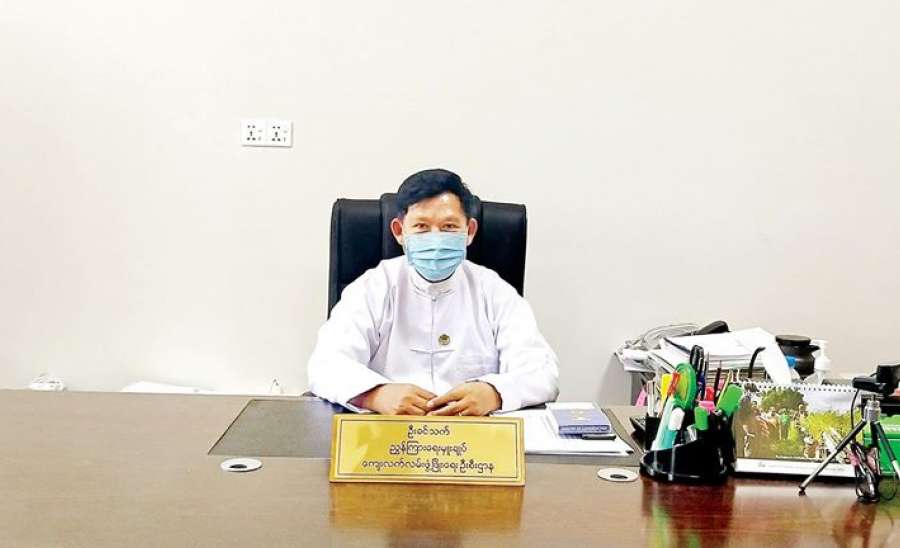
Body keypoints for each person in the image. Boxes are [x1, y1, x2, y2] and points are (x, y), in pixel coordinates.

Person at [307, 168, 559, 416]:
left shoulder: (493, 291)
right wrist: (376, 395)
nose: (436, 239)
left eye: (449, 226)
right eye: (421, 226)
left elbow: (542, 372)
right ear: (399, 232)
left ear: (470, 231)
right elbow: (325, 365)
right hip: (388, 429)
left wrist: (494, 393)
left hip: (474, 431)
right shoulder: (373, 287)